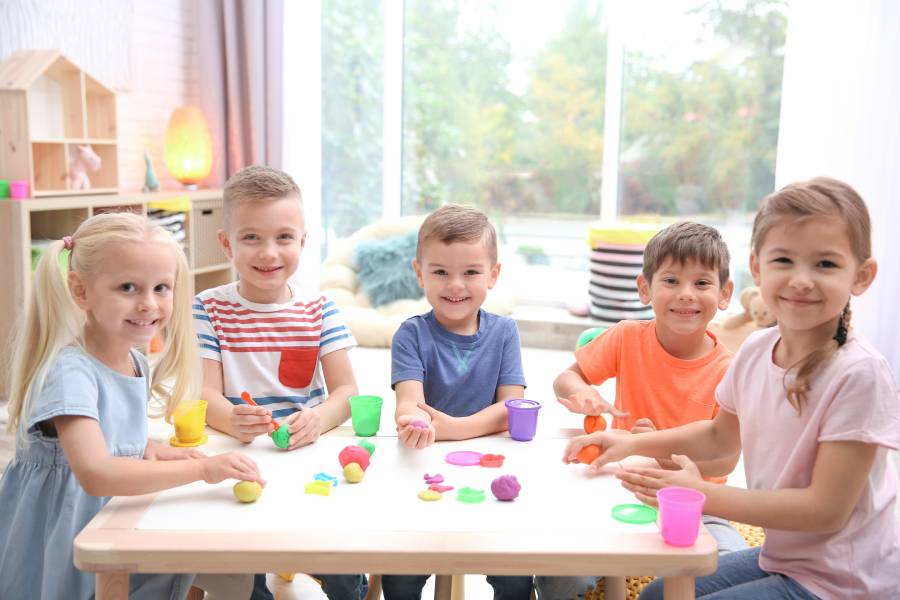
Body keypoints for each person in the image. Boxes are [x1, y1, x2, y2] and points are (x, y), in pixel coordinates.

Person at [567, 178, 900, 600]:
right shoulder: (757, 350)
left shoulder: (860, 374)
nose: (801, 280)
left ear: (862, 276)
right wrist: (629, 443)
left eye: (825, 264)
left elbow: (825, 511)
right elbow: (718, 436)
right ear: (757, 269)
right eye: (784, 260)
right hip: (788, 557)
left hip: (844, 582)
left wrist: (701, 494)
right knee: (655, 596)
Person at [0, 212, 264, 600]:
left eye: (161, 288)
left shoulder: (135, 360)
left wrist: (147, 449)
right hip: (65, 532)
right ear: (81, 291)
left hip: (109, 516)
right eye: (128, 287)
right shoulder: (71, 372)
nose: (148, 304)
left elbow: (109, 436)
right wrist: (202, 470)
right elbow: (96, 471)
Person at [536, 222, 746, 599]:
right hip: (619, 487)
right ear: (645, 288)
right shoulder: (627, 337)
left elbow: (724, 461)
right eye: (671, 280)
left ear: (724, 293)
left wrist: (657, 450)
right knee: (560, 571)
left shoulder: (730, 370)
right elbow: (567, 378)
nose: (686, 294)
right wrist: (583, 393)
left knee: (729, 568)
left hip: (697, 502)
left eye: (702, 283)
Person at [193, 165, 365, 600]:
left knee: (346, 576)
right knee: (243, 582)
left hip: (306, 459)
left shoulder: (320, 309)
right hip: (240, 461)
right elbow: (204, 392)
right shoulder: (207, 308)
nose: (269, 253)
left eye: (284, 237)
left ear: (303, 241)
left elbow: (347, 392)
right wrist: (231, 418)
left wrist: (318, 419)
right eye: (251, 237)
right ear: (227, 244)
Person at [384, 204, 533, 600]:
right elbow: (409, 403)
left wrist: (454, 428)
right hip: (424, 471)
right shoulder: (410, 334)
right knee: (400, 576)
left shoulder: (505, 332)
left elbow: (512, 408)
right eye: (439, 272)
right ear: (419, 273)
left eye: (470, 272)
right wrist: (413, 422)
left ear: (493, 275)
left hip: (490, 469)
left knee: (515, 575)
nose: (455, 285)